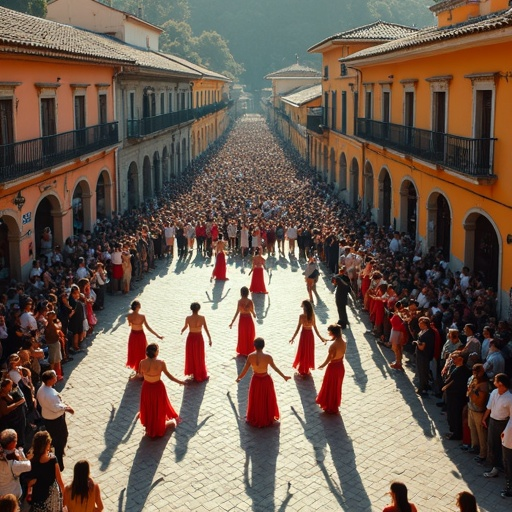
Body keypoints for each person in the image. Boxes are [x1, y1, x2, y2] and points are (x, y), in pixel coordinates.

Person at [236, 337, 290, 427]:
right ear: (263, 346)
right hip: (266, 380)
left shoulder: (250, 356)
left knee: (256, 399)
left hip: (255, 380)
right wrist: (284, 376)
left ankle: (256, 416)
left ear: (254, 346)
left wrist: (239, 378)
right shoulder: (268, 357)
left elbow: (245, 370)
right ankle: (266, 416)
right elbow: (275, 368)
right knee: (266, 399)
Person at [138, 343, 185, 437]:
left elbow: (140, 375)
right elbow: (170, 377)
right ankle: (159, 425)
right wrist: (180, 382)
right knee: (158, 407)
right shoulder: (161, 363)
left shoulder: (142, 362)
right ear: (155, 353)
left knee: (149, 405)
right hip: (158, 388)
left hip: (146, 387)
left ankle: (149, 425)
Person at [36, 370, 74, 471]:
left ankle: (56, 452)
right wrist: (67, 407)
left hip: (47, 418)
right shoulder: (50, 395)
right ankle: (59, 462)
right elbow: (56, 408)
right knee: (61, 438)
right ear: (50, 380)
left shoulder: (41, 389)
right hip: (56, 419)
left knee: (53, 438)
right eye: (54, 377)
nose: (56, 377)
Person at [482, 373, 512, 478]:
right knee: (491, 444)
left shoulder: (510, 398)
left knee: (499, 447)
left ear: (500, 383)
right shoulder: (494, 392)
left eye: (495, 380)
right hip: (492, 421)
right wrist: (484, 419)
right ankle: (493, 466)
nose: (493, 381)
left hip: (502, 424)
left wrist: (507, 431)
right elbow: (489, 407)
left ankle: (498, 468)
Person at [26, 430, 64, 512]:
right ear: (46, 445)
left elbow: (29, 481)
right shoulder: (53, 460)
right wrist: (64, 497)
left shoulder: (31, 461)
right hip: (52, 495)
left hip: (38, 494)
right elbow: (59, 481)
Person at [126, 301, 163, 379]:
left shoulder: (129, 316)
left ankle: (137, 371)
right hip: (140, 336)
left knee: (134, 352)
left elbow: (130, 324)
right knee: (141, 352)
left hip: (133, 335)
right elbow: (148, 327)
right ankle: (142, 371)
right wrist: (157, 335)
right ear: (137, 307)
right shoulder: (142, 316)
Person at [316, 324, 347, 414]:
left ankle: (329, 405)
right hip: (341, 366)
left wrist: (322, 365)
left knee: (329, 386)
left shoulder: (333, 346)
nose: (328, 333)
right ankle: (334, 405)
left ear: (333, 333)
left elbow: (329, 358)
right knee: (337, 387)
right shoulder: (344, 342)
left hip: (333, 367)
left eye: (329, 331)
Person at [289, 300, 326, 376]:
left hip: (304, 335)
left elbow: (298, 328)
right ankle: (306, 369)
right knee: (308, 351)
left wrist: (293, 338)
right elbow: (315, 328)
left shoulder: (301, 316)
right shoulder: (312, 316)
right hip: (310, 335)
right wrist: (321, 338)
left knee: (303, 352)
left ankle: (302, 369)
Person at [442, 351, 471, 440]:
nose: (453, 360)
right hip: (454, 396)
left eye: (454, 358)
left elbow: (453, 381)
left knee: (456, 415)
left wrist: (446, 386)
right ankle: (454, 431)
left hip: (457, 397)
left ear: (461, 359)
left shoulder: (463, 371)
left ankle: (457, 434)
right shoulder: (457, 368)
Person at [181, 302, 212, 382]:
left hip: (191, 337)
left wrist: (182, 330)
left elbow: (185, 327)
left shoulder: (188, 318)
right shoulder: (202, 318)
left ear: (191, 309)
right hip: (199, 338)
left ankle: (193, 372)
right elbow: (206, 328)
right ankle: (200, 373)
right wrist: (209, 338)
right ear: (199, 309)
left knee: (191, 355)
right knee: (199, 355)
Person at [466, 364, 489, 464]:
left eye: (477, 372)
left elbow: (481, 398)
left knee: (481, 433)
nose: (475, 374)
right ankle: (474, 447)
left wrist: (473, 391)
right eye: (474, 371)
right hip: (471, 407)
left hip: (479, 411)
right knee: (472, 428)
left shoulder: (484, 383)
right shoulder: (472, 379)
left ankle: (483, 454)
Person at [0, 429, 31, 500]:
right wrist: (22, 454)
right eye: (16, 440)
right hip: (12, 498)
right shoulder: (14, 464)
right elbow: (29, 466)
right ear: (12, 444)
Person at [229, 287, 256, 356]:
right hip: (249, 319)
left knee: (242, 335)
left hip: (242, 320)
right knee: (250, 334)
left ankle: (243, 350)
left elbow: (237, 312)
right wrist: (254, 314)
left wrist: (232, 322)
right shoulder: (250, 301)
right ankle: (250, 349)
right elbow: (251, 310)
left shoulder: (239, 301)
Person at [413, 317, 435, 397]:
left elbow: (422, 347)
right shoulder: (422, 331)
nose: (419, 324)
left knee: (422, 371)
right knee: (420, 371)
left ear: (426, 325)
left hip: (424, 356)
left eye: (421, 323)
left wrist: (417, 343)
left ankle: (423, 388)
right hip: (420, 354)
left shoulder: (428, 335)